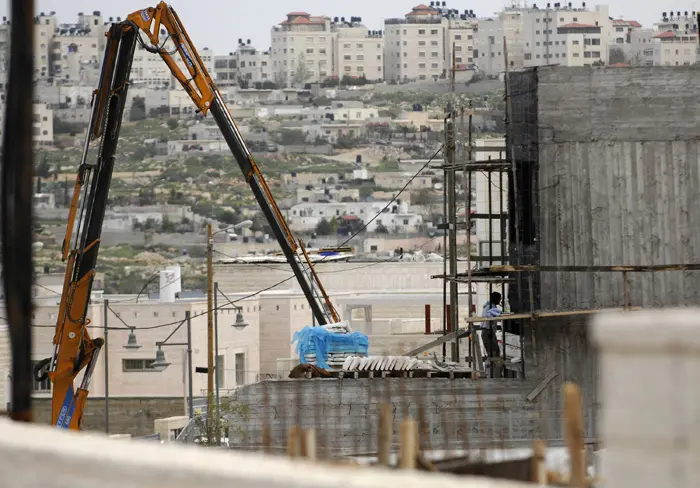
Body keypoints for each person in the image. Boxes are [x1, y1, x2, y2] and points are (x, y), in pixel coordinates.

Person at [480, 291, 502, 358]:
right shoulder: (491, 307)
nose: (500, 300)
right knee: (494, 352)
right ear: (495, 299)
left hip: (487, 331)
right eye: (499, 299)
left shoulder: (488, 305)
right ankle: (494, 367)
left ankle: (493, 367)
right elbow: (499, 317)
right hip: (488, 331)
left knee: (493, 352)